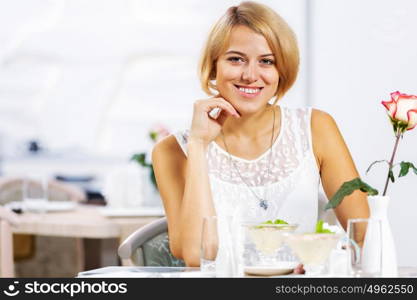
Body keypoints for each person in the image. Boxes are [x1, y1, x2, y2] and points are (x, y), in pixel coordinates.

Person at [152, 1, 369, 267]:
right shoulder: (171, 151)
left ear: (282, 71)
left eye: (267, 61)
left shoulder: (316, 127)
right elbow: (197, 255)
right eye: (235, 59)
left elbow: (364, 233)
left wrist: (327, 263)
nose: (250, 75)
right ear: (213, 66)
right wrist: (198, 145)